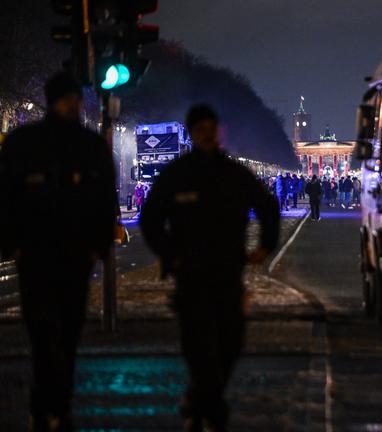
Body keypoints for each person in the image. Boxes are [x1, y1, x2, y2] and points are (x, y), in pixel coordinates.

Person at [139, 105, 280, 431]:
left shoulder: (233, 173)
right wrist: (169, 254)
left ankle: (198, 400)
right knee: (198, 345)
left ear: (218, 131)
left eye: (211, 127)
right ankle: (212, 411)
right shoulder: (177, 174)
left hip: (228, 272)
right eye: (201, 128)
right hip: (191, 273)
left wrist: (266, 245)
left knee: (230, 344)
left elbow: (266, 206)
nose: (207, 133)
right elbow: (150, 219)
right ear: (192, 133)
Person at [0, 72, 117, 431]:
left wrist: (98, 246)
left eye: (76, 98)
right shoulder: (83, 146)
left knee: (62, 331)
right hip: (46, 254)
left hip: (61, 254)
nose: (75, 105)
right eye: (70, 99)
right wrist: (13, 245)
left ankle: (52, 404)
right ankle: (51, 404)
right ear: (57, 100)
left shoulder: (28, 143)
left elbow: (106, 202)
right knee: (48, 332)